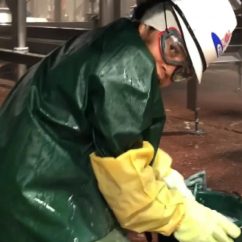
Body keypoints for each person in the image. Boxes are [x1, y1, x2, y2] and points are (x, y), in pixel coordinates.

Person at [0, 0, 241, 242]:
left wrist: (163, 174)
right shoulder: (127, 65)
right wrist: (182, 217)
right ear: (152, 23)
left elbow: (119, 136)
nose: (170, 69)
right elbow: (128, 188)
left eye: (183, 70)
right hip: (37, 201)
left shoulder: (117, 39)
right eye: (173, 49)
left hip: (27, 175)